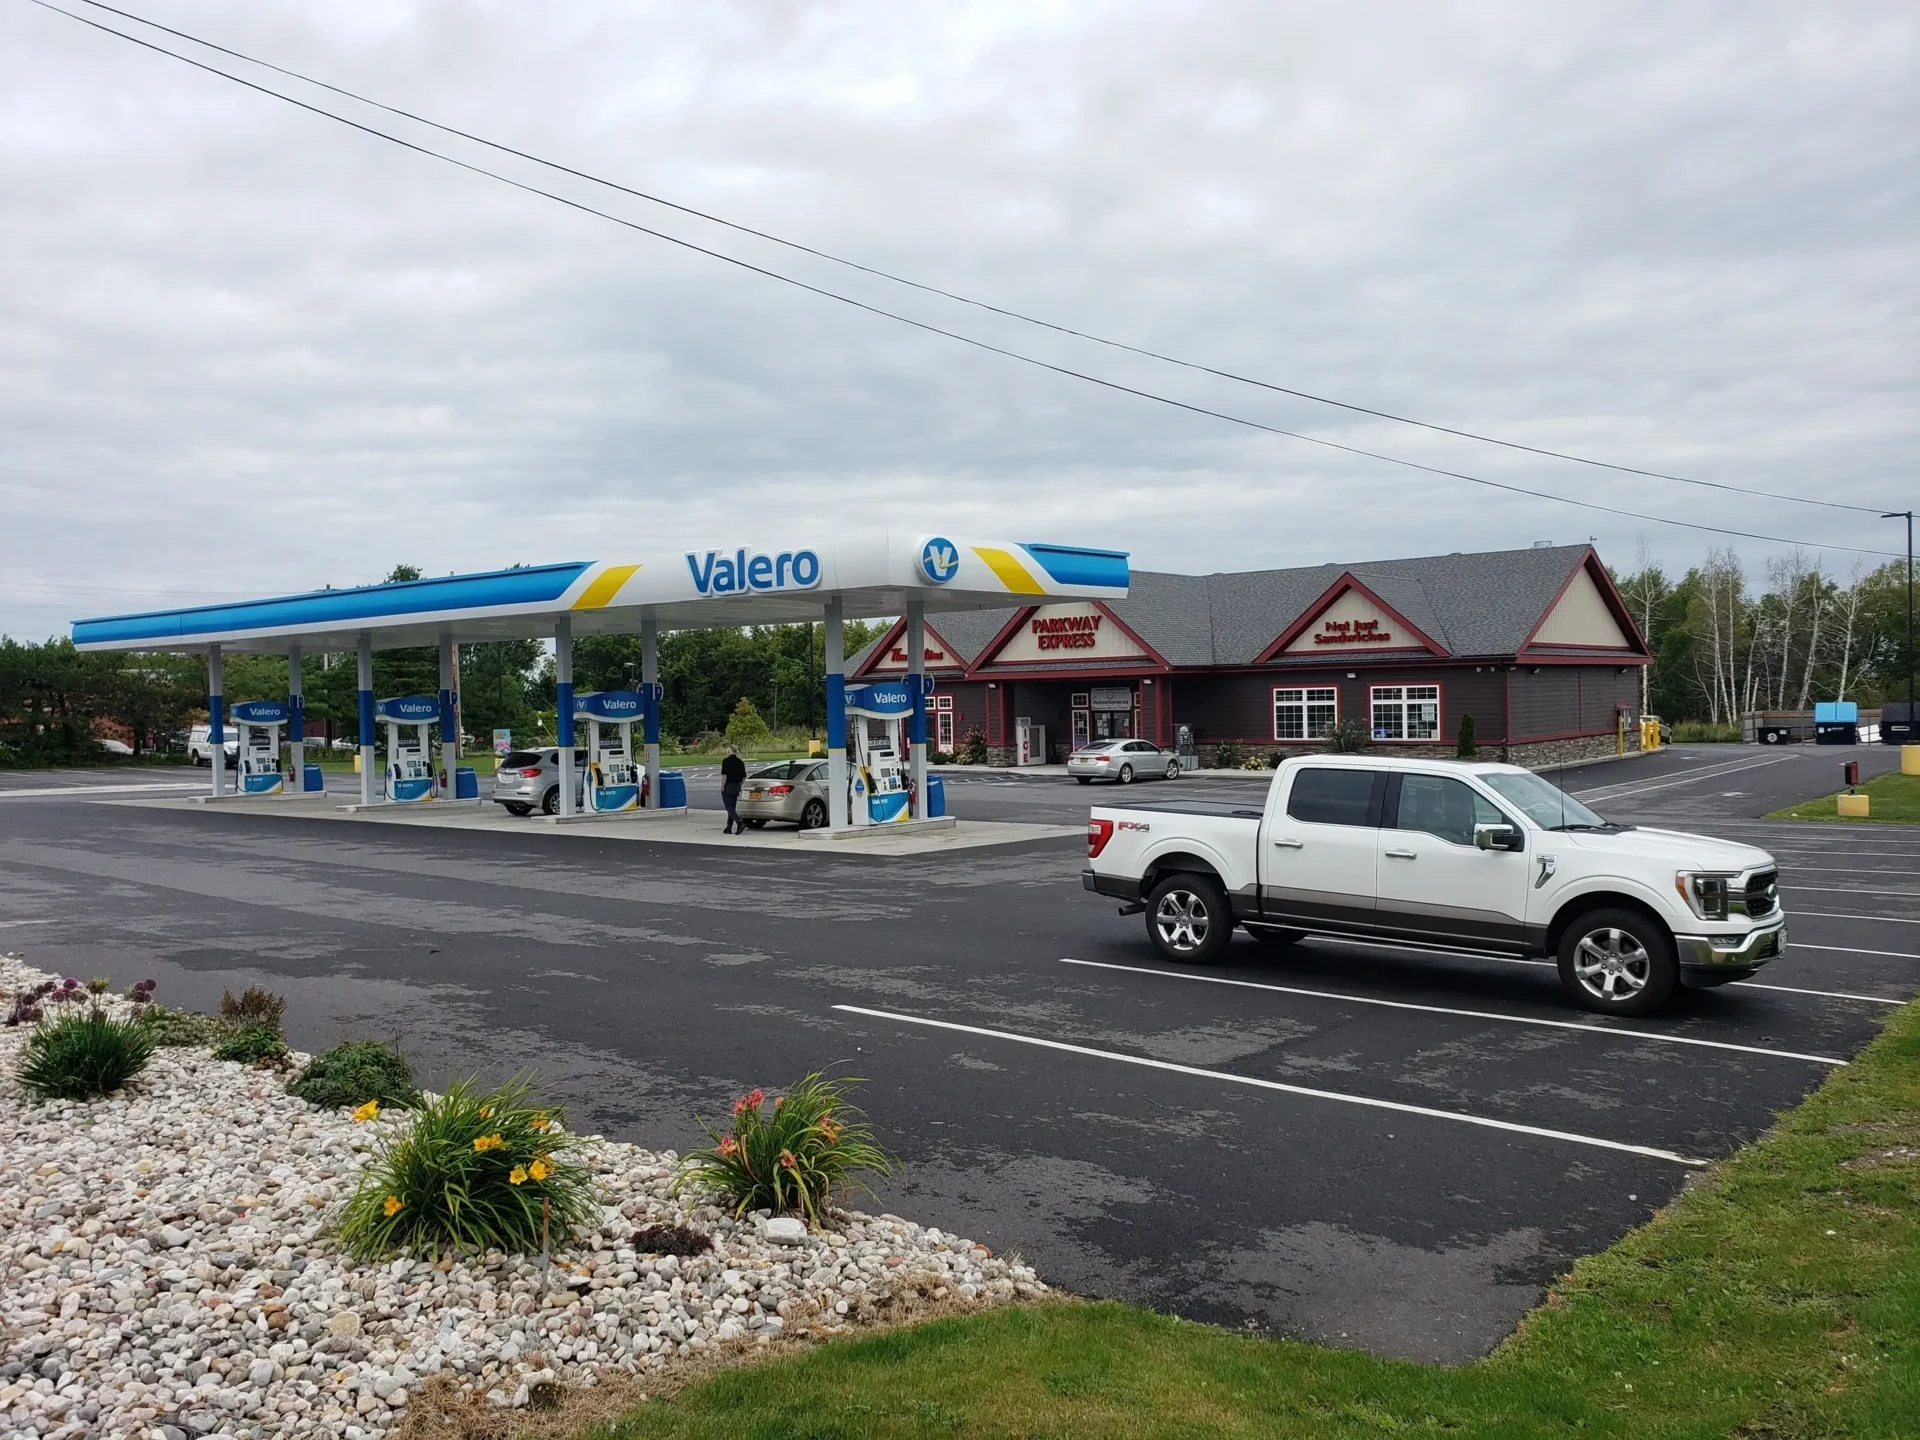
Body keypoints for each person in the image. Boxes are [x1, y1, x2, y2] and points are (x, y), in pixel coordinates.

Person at [720, 744, 747, 834]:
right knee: (732, 807)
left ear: (728, 752)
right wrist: (739, 785)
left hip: (729, 785)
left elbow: (724, 776)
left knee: (728, 806)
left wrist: (723, 786)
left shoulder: (726, 761)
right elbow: (744, 777)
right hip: (737, 786)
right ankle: (729, 827)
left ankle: (739, 823)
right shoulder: (740, 762)